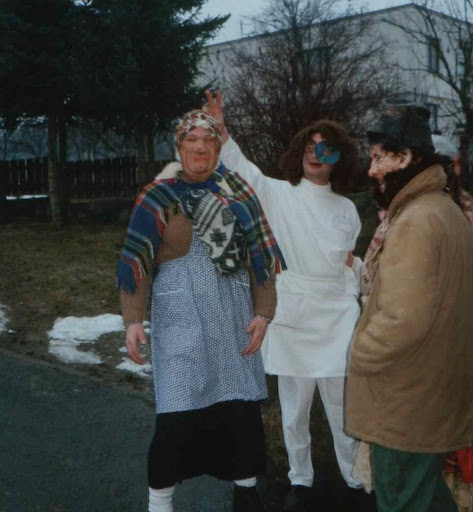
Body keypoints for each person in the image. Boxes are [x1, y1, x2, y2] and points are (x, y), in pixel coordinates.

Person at [204, 91, 372, 510]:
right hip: (294, 313)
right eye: (310, 147)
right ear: (299, 153)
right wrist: (222, 132)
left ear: (338, 159)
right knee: (295, 410)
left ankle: (355, 482)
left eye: (326, 148)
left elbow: (348, 261)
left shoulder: (347, 210)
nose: (316, 154)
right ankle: (301, 480)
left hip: (337, 317)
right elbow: (243, 171)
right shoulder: (278, 194)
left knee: (342, 408)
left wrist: (356, 271)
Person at [117, 110, 286, 512]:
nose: (200, 147)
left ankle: (246, 496)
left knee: (239, 414)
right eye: (191, 139)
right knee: (175, 421)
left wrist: (263, 312)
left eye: (208, 140)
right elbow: (137, 262)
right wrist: (133, 319)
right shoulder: (157, 197)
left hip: (233, 322)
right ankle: (160, 504)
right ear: (179, 146)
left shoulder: (239, 194)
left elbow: (260, 260)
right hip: (182, 324)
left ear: (217, 147)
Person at [346, 99, 473, 511]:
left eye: (378, 157)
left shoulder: (416, 220)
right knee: (427, 498)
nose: (371, 169)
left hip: (406, 402)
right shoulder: (444, 210)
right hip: (433, 394)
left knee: (402, 500)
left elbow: (403, 320)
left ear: (404, 158)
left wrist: (359, 353)